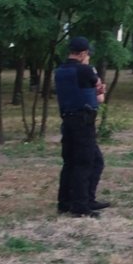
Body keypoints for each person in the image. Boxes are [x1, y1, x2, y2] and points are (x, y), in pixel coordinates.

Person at [55, 36, 107, 217]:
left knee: (70, 162)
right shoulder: (84, 71)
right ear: (84, 53)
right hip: (83, 121)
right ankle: (80, 205)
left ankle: (65, 202)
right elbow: (99, 90)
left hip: (67, 120)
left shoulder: (60, 70)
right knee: (86, 162)